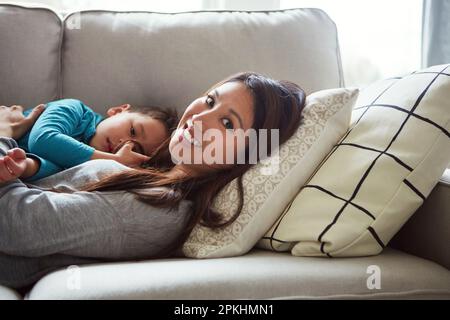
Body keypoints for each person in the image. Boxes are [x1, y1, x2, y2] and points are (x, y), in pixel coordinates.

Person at [0, 71, 306, 291]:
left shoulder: (159, 210)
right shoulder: (148, 173)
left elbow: (16, 225)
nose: (198, 120)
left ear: (248, 154)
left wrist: (4, 137)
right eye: (210, 101)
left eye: (227, 123)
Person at [1, 99, 177, 182]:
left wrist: (26, 166)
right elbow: (43, 141)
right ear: (118, 110)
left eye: (136, 150)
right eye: (132, 131)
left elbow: (53, 173)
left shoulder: (92, 169)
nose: (124, 143)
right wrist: (116, 159)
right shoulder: (74, 109)